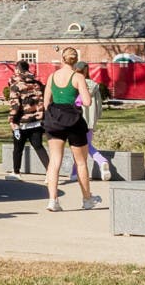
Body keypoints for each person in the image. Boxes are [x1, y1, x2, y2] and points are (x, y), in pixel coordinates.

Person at [42, 47, 100, 212]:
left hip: (54, 122)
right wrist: (77, 99)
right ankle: (87, 199)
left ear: (62, 59)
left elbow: (46, 103)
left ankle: (53, 201)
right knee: (81, 162)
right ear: (76, 60)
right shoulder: (78, 77)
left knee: (54, 161)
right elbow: (87, 102)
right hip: (74, 121)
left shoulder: (52, 77)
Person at [4, 60, 50, 180]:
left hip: (22, 122)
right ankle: (50, 172)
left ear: (18, 70)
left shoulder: (16, 86)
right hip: (37, 121)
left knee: (18, 148)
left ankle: (16, 172)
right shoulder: (37, 84)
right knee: (39, 146)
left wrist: (12, 120)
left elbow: (15, 105)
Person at [69, 61, 112, 182]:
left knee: (81, 146)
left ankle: (101, 160)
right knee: (82, 146)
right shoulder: (94, 86)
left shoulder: (75, 85)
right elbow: (98, 105)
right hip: (90, 121)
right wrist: (96, 117)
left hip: (77, 120)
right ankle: (74, 172)